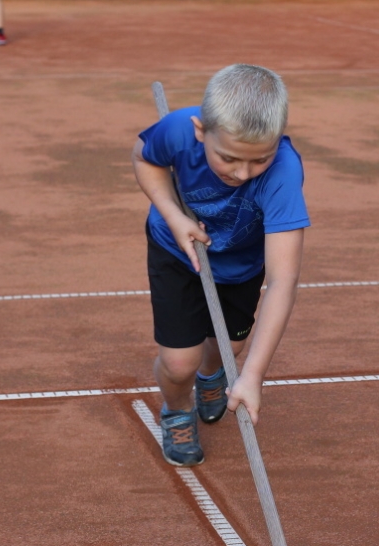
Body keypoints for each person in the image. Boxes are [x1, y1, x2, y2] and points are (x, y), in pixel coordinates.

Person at [132, 65, 310, 467]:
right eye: (228, 158)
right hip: (176, 250)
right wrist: (175, 217)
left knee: (228, 348)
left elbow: (283, 279)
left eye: (258, 160)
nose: (242, 173)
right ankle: (177, 410)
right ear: (200, 131)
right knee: (179, 364)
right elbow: (145, 160)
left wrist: (252, 375)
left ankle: (213, 378)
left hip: (241, 266)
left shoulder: (283, 173)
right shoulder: (177, 129)